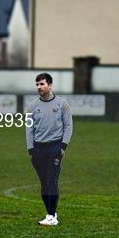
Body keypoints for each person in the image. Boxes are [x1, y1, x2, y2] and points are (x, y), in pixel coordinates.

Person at [26, 72, 73, 226]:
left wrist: (63, 146)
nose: (39, 87)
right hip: (38, 150)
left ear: (50, 85)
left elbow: (68, 126)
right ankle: (50, 212)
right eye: (37, 84)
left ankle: (51, 216)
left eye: (42, 84)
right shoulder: (31, 106)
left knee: (51, 180)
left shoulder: (62, 104)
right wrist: (31, 149)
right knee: (44, 183)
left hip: (55, 147)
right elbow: (28, 129)